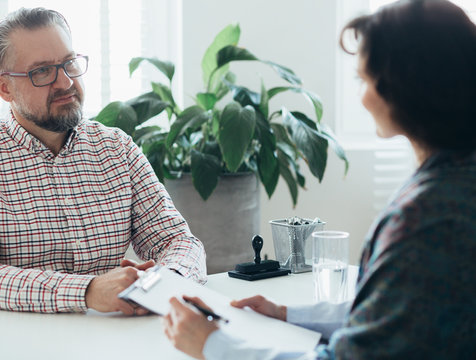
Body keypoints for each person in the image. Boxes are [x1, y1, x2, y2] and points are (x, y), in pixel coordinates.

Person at [162, 0, 476, 358]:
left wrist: (213, 345)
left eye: (364, 80)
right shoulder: (456, 180)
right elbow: (397, 310)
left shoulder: (429, 222)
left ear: (405, 88)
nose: (362, 98)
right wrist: (287, 314)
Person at [0, 7, 206, 314]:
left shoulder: (118, 148)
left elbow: (177, 241)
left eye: (69, 63)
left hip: (114, 336)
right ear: (5, 88)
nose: (65, 82)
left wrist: (165, 282)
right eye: (42, 72)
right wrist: (88, 291)